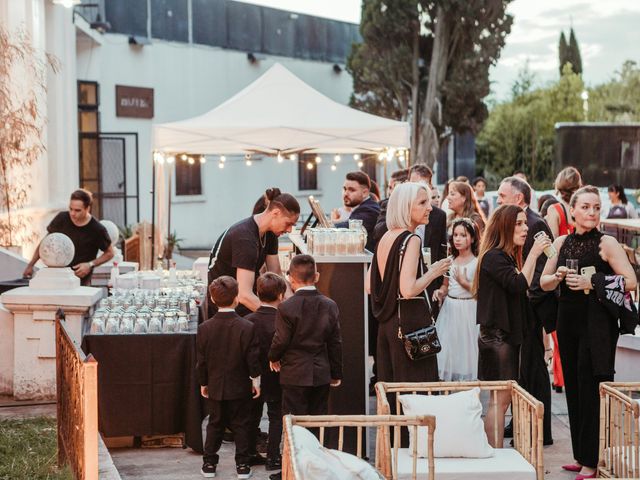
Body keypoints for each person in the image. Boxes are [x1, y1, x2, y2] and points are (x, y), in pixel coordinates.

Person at [541, 186, 636, 479]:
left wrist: (593, 282)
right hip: (568, 324)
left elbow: (631, 281)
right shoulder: (560, 242)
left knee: (592, 389)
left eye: (596, 207)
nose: (592, 212)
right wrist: (555, 277)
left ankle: (592, 462)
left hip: (597, 328)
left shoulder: (606, 243)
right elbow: (543, 282)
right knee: (574, 388)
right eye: (585, 207)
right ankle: (581, 454)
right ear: (573, 210)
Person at [472, 204, 551, 448]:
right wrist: (535, 254)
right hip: (498, 339)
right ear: (504, 226)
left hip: (503, 338)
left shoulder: (503, 256)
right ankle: (493, 456)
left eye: (525, 222)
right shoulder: (494, 257)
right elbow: (519, 284)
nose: (525, 228)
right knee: (500, 402)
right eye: (518, 223)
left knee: (502, 401)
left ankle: (493, 454)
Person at [367, 182, 451, 385]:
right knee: (416, 394)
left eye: (429, 202)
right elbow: (408, 289)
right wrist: (433, 272)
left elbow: (369, 285)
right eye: (422, 202)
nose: (430, 207)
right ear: (405, 206)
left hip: (388, 324)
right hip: (410, 326)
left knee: (392, 393)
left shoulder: (386, 236)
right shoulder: (411, 240)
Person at [497, 176, 555, 445]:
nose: (497, 200)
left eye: (501, 196)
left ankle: (539, 429)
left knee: (533, 368)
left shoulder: (535, 224)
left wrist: (529, 295)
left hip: (530, 305)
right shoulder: (515, 221)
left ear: (518, 198)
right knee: (521, 369)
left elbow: (546, 265)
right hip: (517, 303)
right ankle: (520, 422)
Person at [197, 276, 261, 479]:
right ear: (236, 299)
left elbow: (202, 362)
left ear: (212, 300)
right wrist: (255, 380)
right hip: (240, 385)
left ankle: (209, 464)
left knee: (214, 423)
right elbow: (253, 359)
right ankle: (242, 465)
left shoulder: (204, 328)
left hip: (215, 384)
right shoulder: (247, 327)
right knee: (241, 424)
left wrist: (203, 382)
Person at [268, 254, 343, 418]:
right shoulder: (330, 305)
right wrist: (336, 373)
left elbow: (281, 340)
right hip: (321, 373)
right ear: (316, 277)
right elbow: (335, 342)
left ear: (290, 279)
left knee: (294, 424)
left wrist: (273, 357)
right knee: (318, 421)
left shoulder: (286, 307)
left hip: (294, 374)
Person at [207, 188, 300, 316]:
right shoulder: (245, 238)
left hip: (244, 297)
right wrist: (282, 317)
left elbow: (276, 273)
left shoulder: (270, 233)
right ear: (276, 213)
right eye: (288, 224)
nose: (289, 230)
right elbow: (244, 295)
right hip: (226, 305)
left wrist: (292, 302)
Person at [23, 189, 114, 286]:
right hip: (57, 277)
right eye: (71, 209)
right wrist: (30, 265)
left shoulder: (97, 229)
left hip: (80, 281)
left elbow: (110, 253)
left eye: (77, 210)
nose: (72, 213)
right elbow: (45, 243)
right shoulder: (62, 218)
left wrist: (90, 265)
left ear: (87, 208)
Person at [544, 166, 582, 393]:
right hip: (582, 272)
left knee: (560, 328)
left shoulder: (555, 210)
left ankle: (560, 377)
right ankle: (568, 376)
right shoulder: (581, 209)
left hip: (560, 273)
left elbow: (551, 247)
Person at [245, 273, 287, 473]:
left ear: (257, 293)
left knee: (252, 415)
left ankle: (250, 453)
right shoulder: (283, 321)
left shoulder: (247, 320)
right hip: (277, 375)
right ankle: (273, 457)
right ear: (281, 295)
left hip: (252, 376)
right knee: (275, 416)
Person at [433, 218, 479, 381]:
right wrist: (441, 291)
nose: (457, 239)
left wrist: (464, 283)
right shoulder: (451, 260)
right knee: (449, 346)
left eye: (463, 235)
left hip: (468, 310)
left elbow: (478, 292)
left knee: (466, 348)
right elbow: (446, 285)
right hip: (450, 308)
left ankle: (467, 383)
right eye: (455, 235)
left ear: (472, 238)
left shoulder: (477, 262)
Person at [332, 171, 380, 252]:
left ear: (364, 193)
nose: (346, 194)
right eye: (345, 189)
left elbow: (349, 226)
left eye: (351, 190)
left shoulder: (370, 210)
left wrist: (327, 228)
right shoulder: (363, 207)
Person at [373, 169, 409, 245]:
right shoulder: (385, 204)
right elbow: (378, 232)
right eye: (389, 187)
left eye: (391, 187)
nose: (389, 192)